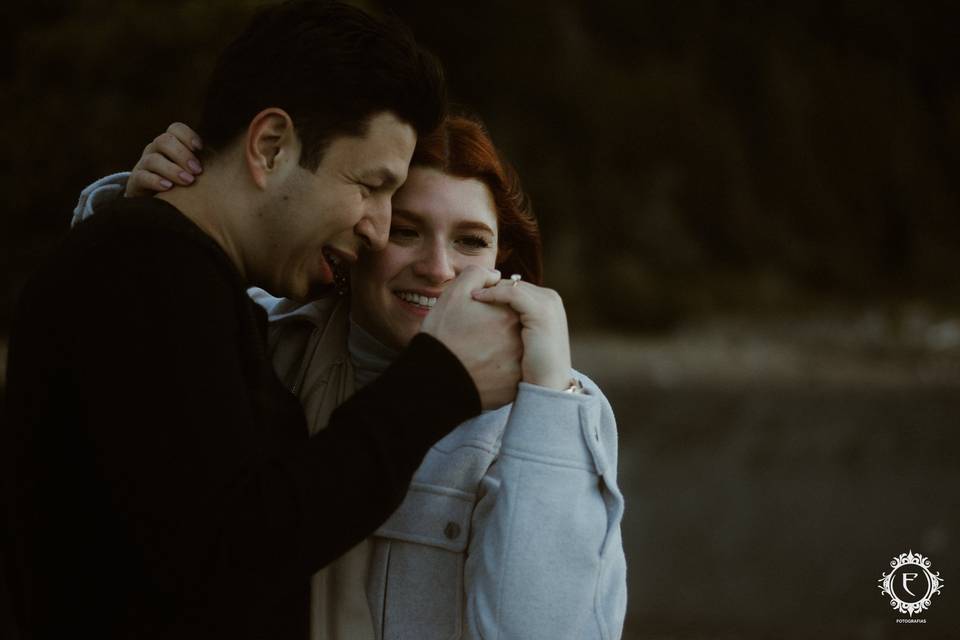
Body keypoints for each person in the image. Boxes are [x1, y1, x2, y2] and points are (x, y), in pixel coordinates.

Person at [1, 3, 525, 639]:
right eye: (370, 186)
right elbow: (238, 549)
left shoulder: (179, 276)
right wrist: (438, 384)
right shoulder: (146, 271)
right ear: (271, 146)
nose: (379, 227)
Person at [75, 113, 628, 639]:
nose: (438, 268)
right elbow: (117, 368)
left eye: (470, 240)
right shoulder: (272, 343)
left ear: (502, 258)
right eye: (407, 231)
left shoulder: (552, 408)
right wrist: (151, 215)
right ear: (359, 234)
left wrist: (550, 392)